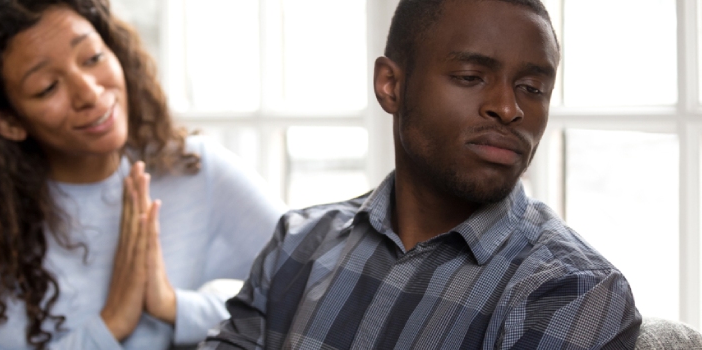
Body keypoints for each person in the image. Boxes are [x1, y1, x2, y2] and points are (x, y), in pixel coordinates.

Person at [202, 0, 642, 349]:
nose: (509, 109)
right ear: (390, 85)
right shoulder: (297, 244)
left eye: (533, 89)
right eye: (471, 76)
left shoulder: (573, 292)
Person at [0, 0, 285, 349]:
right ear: (7, 121)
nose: (89, 92)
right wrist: (110, 325)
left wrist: (175, 308)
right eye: (48, 87)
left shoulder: (191, 171)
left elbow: (318, 285)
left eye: (92, 57)